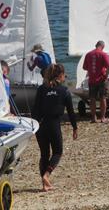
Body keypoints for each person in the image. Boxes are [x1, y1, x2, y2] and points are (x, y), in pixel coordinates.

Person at [31, 63, 78, 192]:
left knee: (44, 154)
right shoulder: (64, 91)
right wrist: (75, 127)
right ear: (60, 76)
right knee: (57, 152)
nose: (65, 78)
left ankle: (44, 185)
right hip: (53, 125)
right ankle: (47, 175)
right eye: (64, 76)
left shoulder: (41, 89)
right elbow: (71, 111)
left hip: (40, 125)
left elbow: (35, 109)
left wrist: (33, 126)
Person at [83, 40, 109, 123]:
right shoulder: (103, 54)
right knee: (103, 98)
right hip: (101, 79)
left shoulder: (88, 54)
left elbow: (85, 67)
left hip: (92, 79)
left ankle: (93, 118)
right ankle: (102, 118)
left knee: (92, 98)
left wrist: (92, 69)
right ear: (103, 47)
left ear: (96, 45)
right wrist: (106, 76)